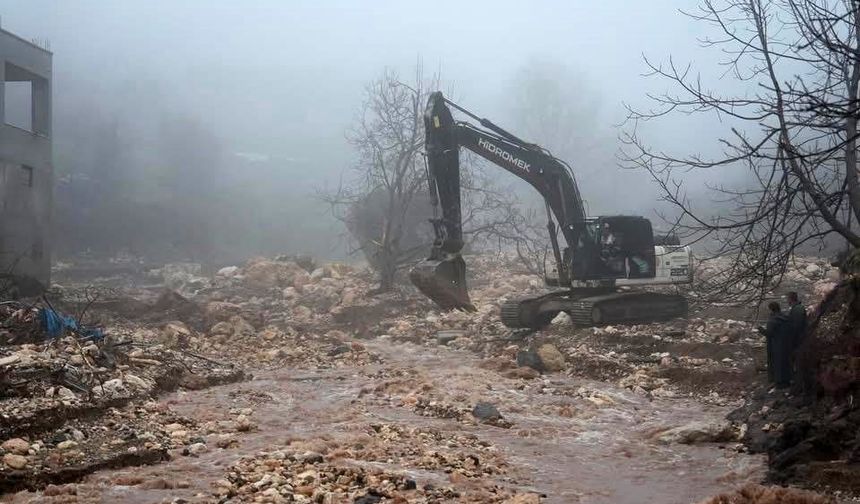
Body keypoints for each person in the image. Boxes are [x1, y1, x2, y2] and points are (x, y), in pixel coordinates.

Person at [757, 301, 791, 387]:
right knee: (785, 362)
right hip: (786, 343)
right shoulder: (785, 317)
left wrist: (760, 329)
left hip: (776, 344)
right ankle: (787, 380)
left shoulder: (773, 320)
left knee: (777, 363)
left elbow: (769, 333)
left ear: (771, 309)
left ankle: (779, 382)